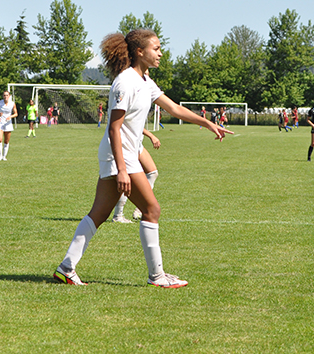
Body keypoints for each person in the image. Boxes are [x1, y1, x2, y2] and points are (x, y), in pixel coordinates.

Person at [53, 29, 232, 288]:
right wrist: (122, 170)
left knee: (99, 213)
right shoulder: (125, 82)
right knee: (151, 210)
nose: (160, 53)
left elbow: (174, 108)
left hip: (124, 155)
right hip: (120, 156)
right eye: (156, 48)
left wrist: (208, 123)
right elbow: (114, 128)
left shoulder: (145, 81)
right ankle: (157, 276)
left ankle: (65, 268)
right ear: (139, 51)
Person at [112, 128, 160, 224]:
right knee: (126, 179)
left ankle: (140, 208)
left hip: (136, 142)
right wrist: (151, 135)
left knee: (153, 173)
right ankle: (118, 215)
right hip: (127, 143)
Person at [0, 91, 18, 161]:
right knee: (0, 139)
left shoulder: (12, 103)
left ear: (9, 96)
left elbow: (16, 113)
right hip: (0, 123)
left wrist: (10, 117)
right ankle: (0, 156)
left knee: (6, 141)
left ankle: (4, 156)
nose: (5, 97)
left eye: (7, 95)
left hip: (8, 123)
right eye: (4, 95)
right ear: (2, 96)